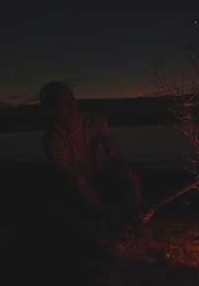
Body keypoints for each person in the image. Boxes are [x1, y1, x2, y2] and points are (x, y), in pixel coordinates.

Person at [39, 81, 144, 229]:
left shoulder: (95, 121)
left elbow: (114, 156)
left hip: (96, 175)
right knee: (76, 189)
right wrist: (107, 213)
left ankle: (134, 214)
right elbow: (75, 177)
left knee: (131, 178)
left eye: (72, 101)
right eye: (64, 104)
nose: (72, 107)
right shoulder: (53, 139)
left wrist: (130, 182)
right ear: (52, 110)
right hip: (70, 186)